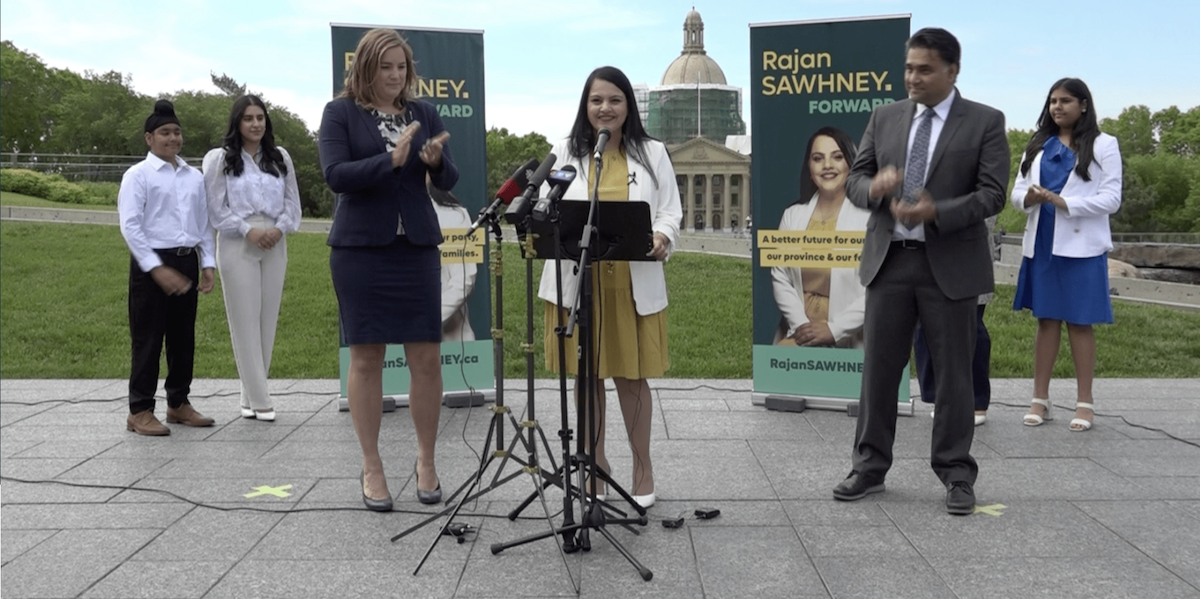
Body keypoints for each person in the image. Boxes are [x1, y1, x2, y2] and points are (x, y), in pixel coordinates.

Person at [833, 28, 1008, 515]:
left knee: (953, 375)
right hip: (890, 262)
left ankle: (955, 473)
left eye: (925, 69)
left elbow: (992, 193)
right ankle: (869, 467)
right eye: (909, 68)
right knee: (879, 372)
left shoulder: (985, 122)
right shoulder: (885, 117)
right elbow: (854, 179)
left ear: (952, 71)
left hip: (949, 266)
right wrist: (873, 188)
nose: (913, 77)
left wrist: (938, 211)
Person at [318, 28, 456, 511]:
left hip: (415, 248)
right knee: (367, 359)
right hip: (360, 251)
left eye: (402, 67)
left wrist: (435, 163)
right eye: (386, 67)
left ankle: (426, 461)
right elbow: (335, 175)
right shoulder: (340, 113)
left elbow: (449, 177)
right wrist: (389, 160)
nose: (396, 76)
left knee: (426, 359)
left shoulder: (423, 113)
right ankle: (372, 465)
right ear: (366, 68)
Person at [536, 66, 682, 508]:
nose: (605, 108)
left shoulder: (652, 152)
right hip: (577, 282)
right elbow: (546, 207)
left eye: (615, 100)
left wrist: (662, 236)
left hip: (631, 284)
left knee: (631, 379)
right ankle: (595, 470)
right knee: (586, 379)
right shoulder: (564, 151)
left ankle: (643, 468)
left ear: (628, 107)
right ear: (586, 105)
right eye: (597, 100)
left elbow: (671, 212)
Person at [1011, 78, 1122, 432]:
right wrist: (1030, 199)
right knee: (1046, 320)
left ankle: (1084, 402)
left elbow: (1111, 198)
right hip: (1043, 240)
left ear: (1084, 105)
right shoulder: (1037, 145)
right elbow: (1016, 192)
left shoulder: (1104, 145)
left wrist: (1065, 202)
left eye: (1066, 101)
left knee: (1079, 321)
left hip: (1081, 246)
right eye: (1053, 101)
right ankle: (1039, 400)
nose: (1058, 107)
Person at [118, 99, 218, 436]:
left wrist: (207, 263)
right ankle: (140, 409)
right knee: (148, 338)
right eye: (165, 133)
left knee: (182, 337)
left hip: (186, 259)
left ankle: (178, 403)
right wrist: (155, 268)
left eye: (176, 132)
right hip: (151, 263)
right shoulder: (138, 176)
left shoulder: (193, 177)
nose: (172, 138)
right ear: (149, 138)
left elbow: (203, 223)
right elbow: (131, 226)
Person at [203, 95, 302, 422]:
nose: (256, 124)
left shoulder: (280, 157)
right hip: (237, 241)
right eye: (248, 118)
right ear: (237, 122)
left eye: (260, 117)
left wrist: (280, 229)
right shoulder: (220, 159)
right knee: (244, 322)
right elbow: (216, 208)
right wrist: (248, 230)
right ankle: (262, 400)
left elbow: (293, 204)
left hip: (275, 240)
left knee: (266, 322)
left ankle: (248, 398)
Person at [771, 126, 868, 348]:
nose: (827, 166)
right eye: (818, 158)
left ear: (850, 163)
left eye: (837, 157)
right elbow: (780, 275)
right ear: (809, 166)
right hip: (797, 334)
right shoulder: (792, 216)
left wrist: (833, 330)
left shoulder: (870, 220)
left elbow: (877, 289)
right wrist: (804, 329)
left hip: (850, 340)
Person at [913, 215, 998, 427]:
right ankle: (937, 397)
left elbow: (987, 202)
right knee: (926, 324)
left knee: (971, 326)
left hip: (967, 249)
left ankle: (976, 400)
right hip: (925, 248)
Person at [428, 182, 477, 342]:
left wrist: (425, 323)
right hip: (392, 345)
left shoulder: (454, 215)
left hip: (449, 341)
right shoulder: (380, 214)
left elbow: (463, 280)